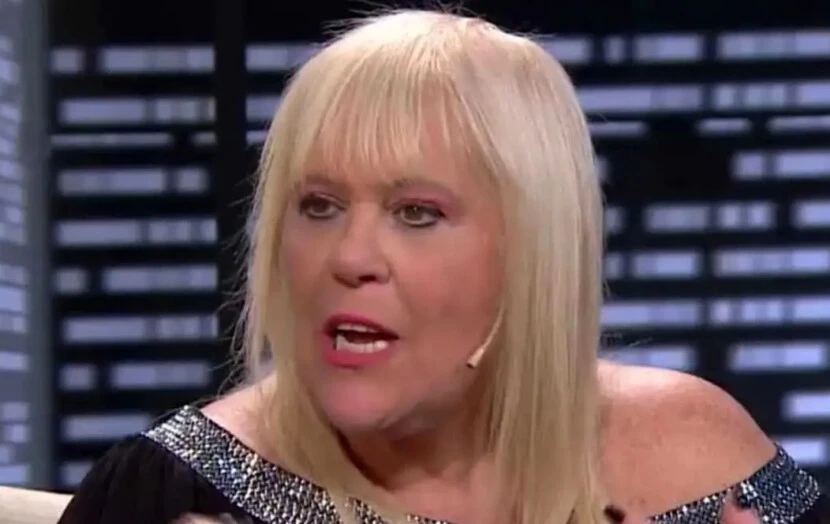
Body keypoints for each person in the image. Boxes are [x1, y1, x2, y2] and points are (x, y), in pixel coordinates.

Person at [57, 9, 828, 524]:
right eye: (318, 206)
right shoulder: (168, 495)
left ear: (531, 251)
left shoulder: (699, 462)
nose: (350, 258)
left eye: (416, 213)